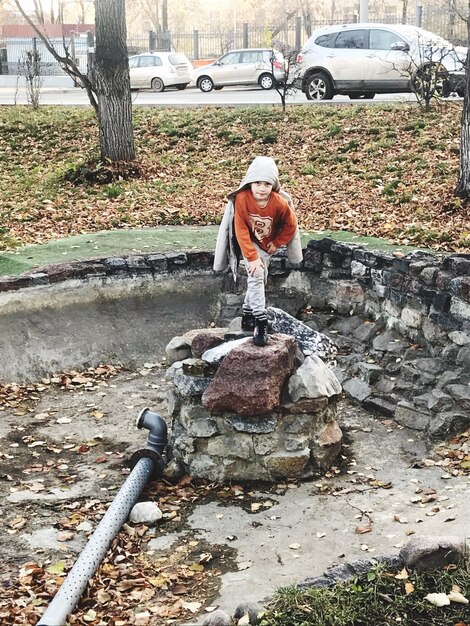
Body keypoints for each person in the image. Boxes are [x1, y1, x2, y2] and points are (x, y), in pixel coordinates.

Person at [213, 156, 303, 347]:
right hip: (248, 242)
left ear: (273, 185)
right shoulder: (242, 199)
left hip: (267, 244)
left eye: (266, 184)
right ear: (249, 183)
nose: (262, 188)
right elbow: (241, 229)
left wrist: (277, 242)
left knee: (258, 279)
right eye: (257, 183)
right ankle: (260, 322)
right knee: (257, 272)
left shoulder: (279, 203)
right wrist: (251, 257)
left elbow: (291, 225)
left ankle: (246, 313)